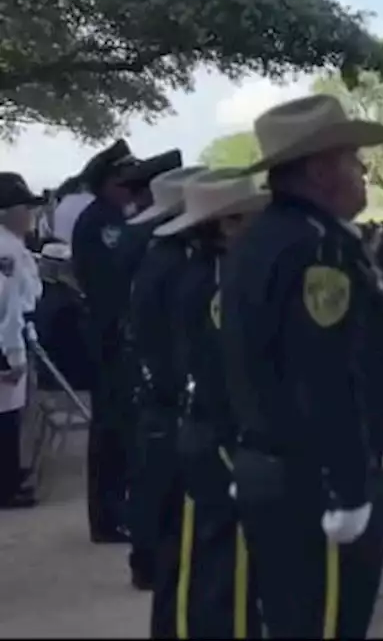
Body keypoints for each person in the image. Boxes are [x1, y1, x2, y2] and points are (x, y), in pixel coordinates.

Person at [220, 94, 383, 638]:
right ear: (319, 169)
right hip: (314, 483)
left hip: (278, 469)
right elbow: (325, 377)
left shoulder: (259, 240)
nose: (364, 174)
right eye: (354, 161)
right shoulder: (318, 250)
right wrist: (350, 490)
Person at [158, 170, 269, 638]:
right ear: (226, 225)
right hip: (219, 437)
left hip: (199, 428)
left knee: (203, 566)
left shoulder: (189, 271)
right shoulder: (216, 284)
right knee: (226, 577)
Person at [122, 164, 205, 595]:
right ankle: (154, 562)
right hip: (168, 391)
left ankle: (149, 559)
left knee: (154, 479)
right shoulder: (174, 265)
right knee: (164, 486)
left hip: (155, 386)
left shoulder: (159, 256)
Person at [72, 139, 143, 545]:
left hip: (114, 332)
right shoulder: (104, 223)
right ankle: (108, 515)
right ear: (109, 181)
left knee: (119, 426)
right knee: (112, 428)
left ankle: (116, 509)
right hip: (110, 333)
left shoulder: (111, 217)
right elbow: (111, 284)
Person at [0, 173, 45, 510]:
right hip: (7, 338)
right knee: (6, 415)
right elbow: (9, 306)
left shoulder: (12, 245)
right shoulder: (7, 250)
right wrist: (11, 354)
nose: (31, 214)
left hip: (12, 334)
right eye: (24, 207)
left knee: (11, 414)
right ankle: (7, 485)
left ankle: (11, 476)